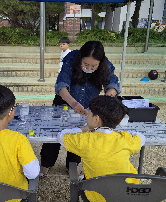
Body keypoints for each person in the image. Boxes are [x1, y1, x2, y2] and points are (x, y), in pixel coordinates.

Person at [57, 95, 145, 202]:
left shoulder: (85, 140)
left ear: (96, 119)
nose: (88, 116)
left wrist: (85, 129)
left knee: (86, 179)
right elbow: (141, 137)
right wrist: (119, 133)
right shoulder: (125, 139)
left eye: (89, 114)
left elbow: (62, 135)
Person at [40, 40, 120, 177]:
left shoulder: (106, 65)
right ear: (80, 58)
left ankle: (71, 165)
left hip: (87, 106)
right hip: (65, 102)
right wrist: (73, 103)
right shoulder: (71, 59)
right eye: (86, 64)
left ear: (100, 62)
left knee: (80, 135)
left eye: (94, 65)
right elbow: (61, 86)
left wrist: (109, 95)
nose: (89, 68)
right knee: (53, 134)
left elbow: (113, 83)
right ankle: (45, 165)